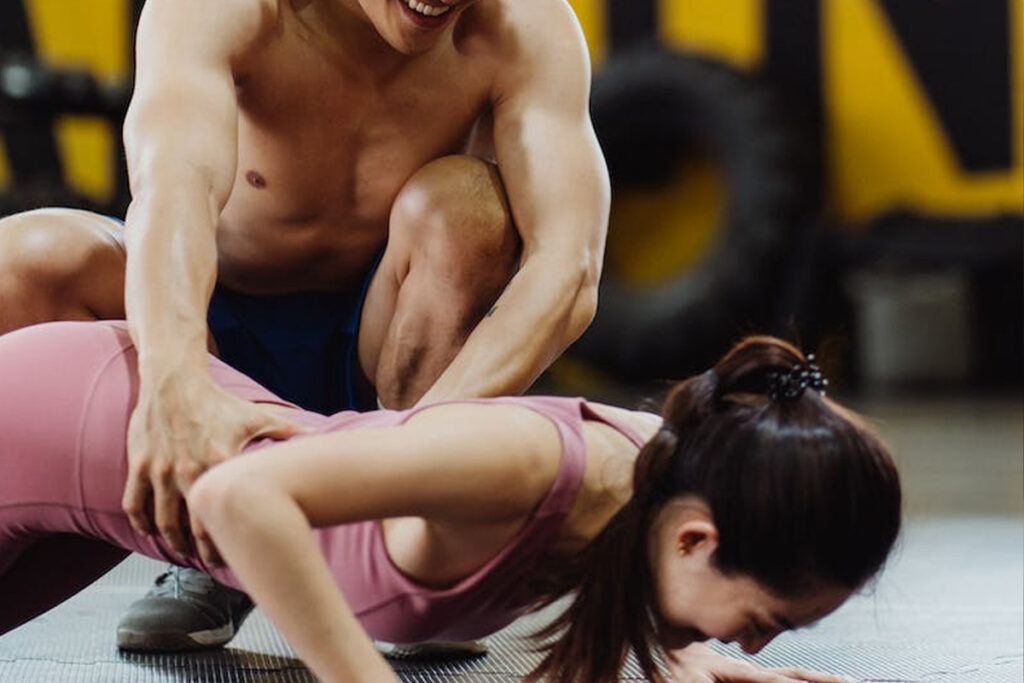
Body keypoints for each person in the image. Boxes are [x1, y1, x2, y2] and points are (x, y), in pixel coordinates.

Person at [0, 0, 608, 648]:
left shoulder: (525, 25)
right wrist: (174, 380)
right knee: (23, 261)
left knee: (467, 211)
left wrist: (415, 453)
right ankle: (216, 554)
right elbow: (174, 187)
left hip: (392, 354)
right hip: (217, 337)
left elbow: (568, 271)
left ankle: (412, 540)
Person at [0, 320, 902, 683]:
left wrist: (689, 658)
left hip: (101, 501)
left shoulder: (665, 474)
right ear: (700, 538)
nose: (753, 640)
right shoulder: (529, 462)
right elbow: (241, 496)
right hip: (51, 411)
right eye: (763, 617)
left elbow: (631, 566)